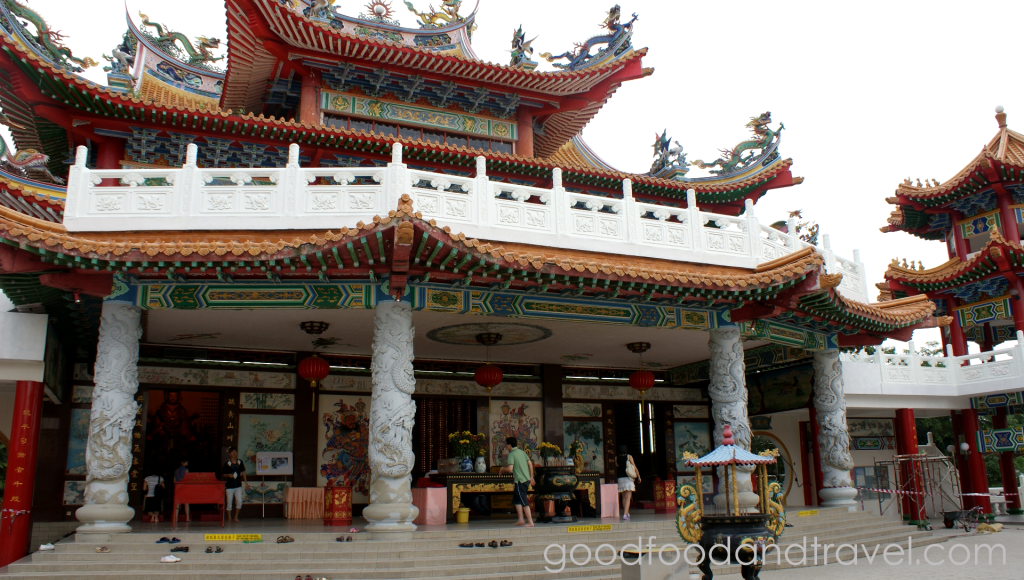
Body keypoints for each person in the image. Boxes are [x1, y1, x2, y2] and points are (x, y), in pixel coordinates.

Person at [498, 436, 535, 527]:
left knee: (523, 501)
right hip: (526, 480)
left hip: (520, 481)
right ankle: (521, 519)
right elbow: (530, 464)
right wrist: (531, 476)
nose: (506, 446)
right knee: (517, 500)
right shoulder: (522, 452)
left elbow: (510, 468)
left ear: (510, 445)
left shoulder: (512, 454)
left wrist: (502, 469)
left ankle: (530, 522)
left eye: (506, 445)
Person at [223, 447, 247, 523]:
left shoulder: (240, 462)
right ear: (229, 454)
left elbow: (243, 472)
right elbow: (223, 474)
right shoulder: (227, 463)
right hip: (229, 485)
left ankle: (236, 517)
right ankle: (229, 518)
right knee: (229, 501)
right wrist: (228, 475)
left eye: (235, 452)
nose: (234, 453)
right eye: (232, 452)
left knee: (239, 500)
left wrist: (246, 482)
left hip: (238, 485)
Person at [616, 444, 640, 520]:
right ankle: (625, 514)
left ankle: (626, 512)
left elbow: (617, 466)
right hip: (627, 478)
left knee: (623, 497)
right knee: (628, 497)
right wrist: (638, 476)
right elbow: (634, 467)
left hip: (620, 479)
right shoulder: (629, 457)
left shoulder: (616, 458)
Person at [173, 458, 190, 522]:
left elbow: (174, 480)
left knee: (177, 503)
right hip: (184, 488)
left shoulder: (176, 470)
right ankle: (187, 518)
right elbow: (187, 479)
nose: (187, 463)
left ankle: (176, 518)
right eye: (186, 461)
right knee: (186, 503)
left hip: (178, 488)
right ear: (182, 462)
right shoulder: (186, 470)